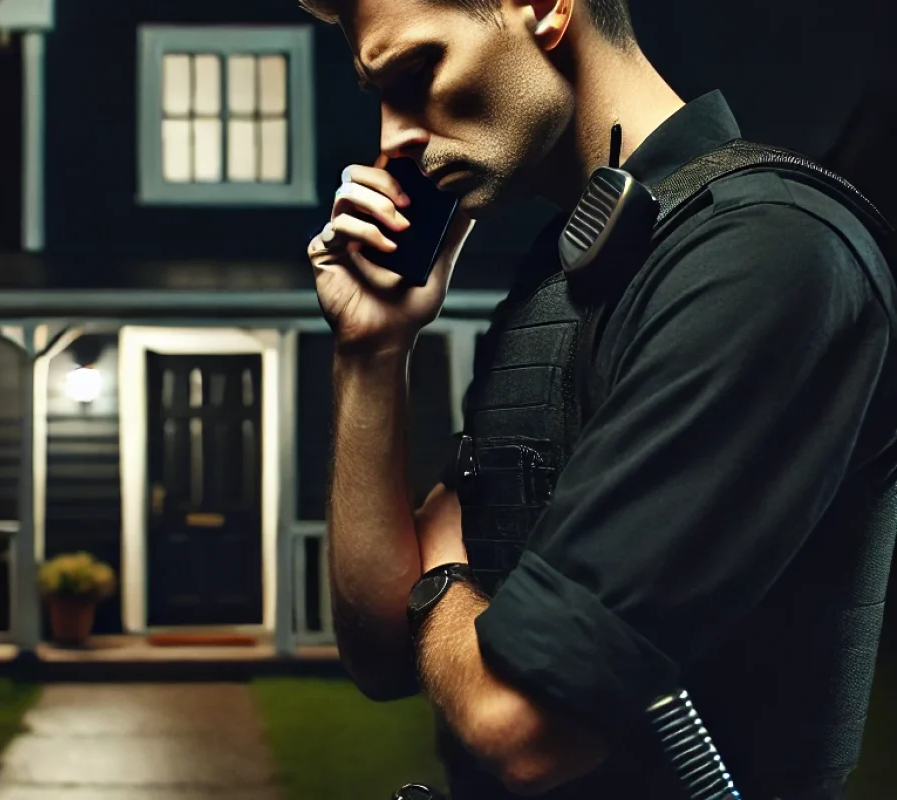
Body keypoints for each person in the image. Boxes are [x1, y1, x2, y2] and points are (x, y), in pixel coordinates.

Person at [301, 1, 897, 799]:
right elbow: (378, 651)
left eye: (415, 74)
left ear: (546, 9)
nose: (392, 139)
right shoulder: (566, 278)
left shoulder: (766, 256)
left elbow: (525, 725)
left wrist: (439, 574)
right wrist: (371, 349)